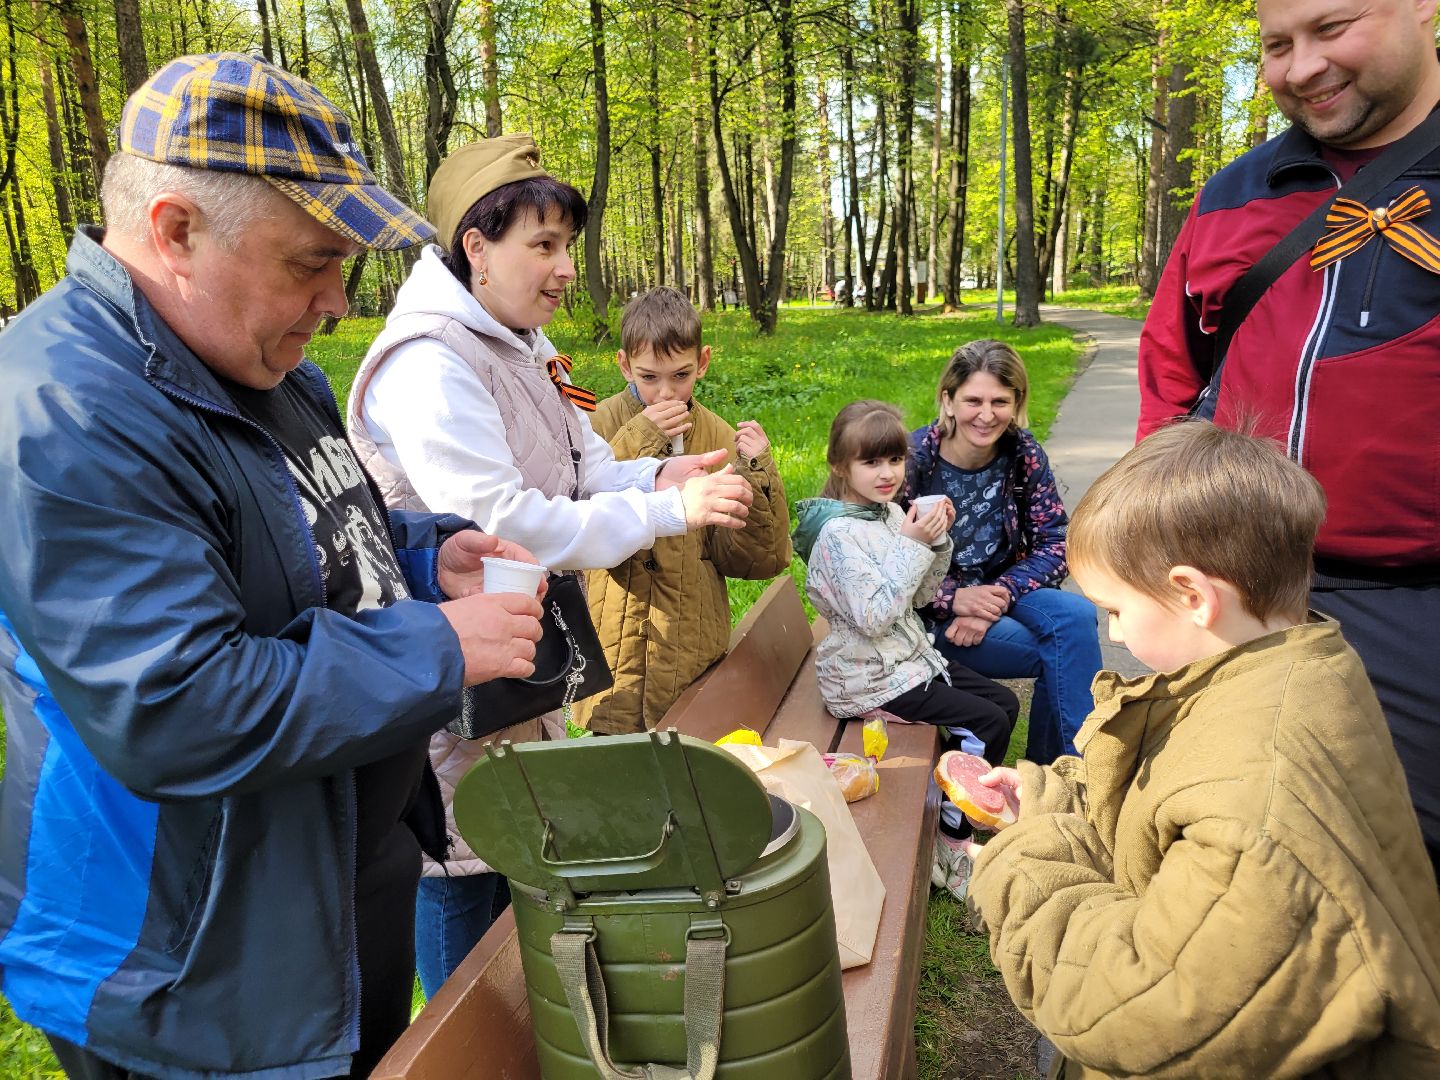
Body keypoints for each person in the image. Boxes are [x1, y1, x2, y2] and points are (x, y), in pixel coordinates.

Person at [0, 54, 547, 1080]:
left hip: (332, 891)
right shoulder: (62, 411)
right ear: (173, 231)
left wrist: (429, 563)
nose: (337, 300)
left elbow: (311, 539)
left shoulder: (258, 355)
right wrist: (436, 645)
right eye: (308, 263)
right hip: (187, 971)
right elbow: (176, 702)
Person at [345, 137, 754, 997]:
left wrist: (657, 473)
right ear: (475, 246)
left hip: (518, 667)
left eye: (568, 244)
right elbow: (508, 521)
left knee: (515, 851)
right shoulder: (429, 364)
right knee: (456, 863)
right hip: (444, 677)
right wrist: (663, 511)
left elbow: (585, 464)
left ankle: (525, 1030)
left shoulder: (523, 347)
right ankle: (460, 1047)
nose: (566, 268)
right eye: (544, 245)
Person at [964, 423, 1440, 1078]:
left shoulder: (1259, 806)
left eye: (1117, 609)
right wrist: (1047, 798)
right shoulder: (1280, 668)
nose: (1113, 631)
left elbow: (1136, 1005)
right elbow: (1164, 788)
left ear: (1193, 596)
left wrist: (1022, 858)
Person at [1136, 0, 1440, 880]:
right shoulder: (1233, 194)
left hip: (1415, 601)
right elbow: (1170, 377)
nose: (1302, 67)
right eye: (1277, 44)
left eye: (1334, 27)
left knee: (1403, 877)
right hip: (1239, 595)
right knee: (1235, 858)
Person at [793, 400, 1018, 903]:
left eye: (894, 460)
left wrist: (936, 544)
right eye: (871, 462)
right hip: (866, 677)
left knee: (1005, 705)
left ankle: (962, 816)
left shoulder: (892, 514)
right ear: (840, 466)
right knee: (984, 723)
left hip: (906, 660)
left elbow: (916, 599)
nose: (887, 473)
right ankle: (951, 844)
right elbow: (873, 617)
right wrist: (914, 545)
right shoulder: (838, 535)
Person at [575, 286, 791, 734]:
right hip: (615, 645)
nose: (665, 392)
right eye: (648, 377)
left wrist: (759, 473)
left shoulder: (718, 436)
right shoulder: (596, 426)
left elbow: (756, 560)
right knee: (618, 770)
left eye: (681, 375)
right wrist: (641, 437)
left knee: (692, 773)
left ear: (703, 362)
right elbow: (581, 510)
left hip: (689, 644)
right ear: (623, 365)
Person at [905, 340, 1101, 764]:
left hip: (1001, 593)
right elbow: (881, 558)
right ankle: (1062, 777)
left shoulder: (1022, 453)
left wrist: (996, 597)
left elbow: (1056, 542)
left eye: (1000, 401)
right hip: (925, 618)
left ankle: (1058, 774)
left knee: (1077, 617)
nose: (986, 414)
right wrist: (954, 599)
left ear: (1017, 402)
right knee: (1067, 656)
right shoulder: (914, 460)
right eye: (973, 400)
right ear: (948, 401)